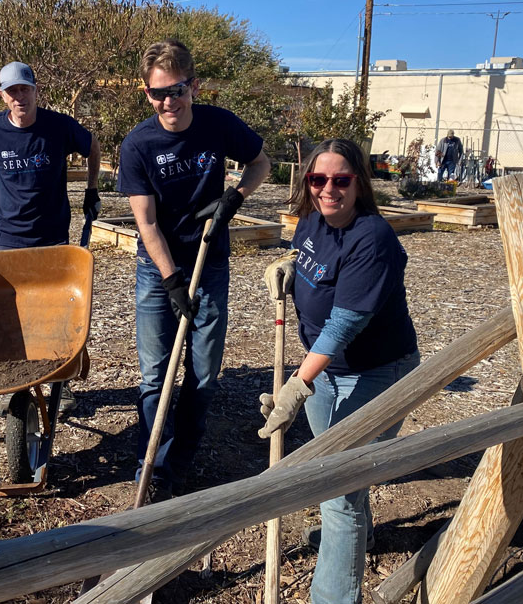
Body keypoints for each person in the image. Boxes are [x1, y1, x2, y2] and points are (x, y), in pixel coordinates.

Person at [259, 138, 420, 604]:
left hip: (373, 373)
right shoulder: (312, 221)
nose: (328, 189)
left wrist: (297, 384)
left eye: (341, 180)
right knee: (342, 476)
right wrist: (287, 266)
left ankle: (333, 597)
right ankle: (356, 539)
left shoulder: (373, 240)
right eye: (317, 179)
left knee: (338, 491)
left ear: (359, 183)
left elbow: (344, 325)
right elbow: (303, 254)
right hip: (327, 370)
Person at [118, 39, 270, 502]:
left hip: (211, 263)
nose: (168, 102)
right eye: (157, 93)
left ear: (193, 85)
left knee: (202, 375)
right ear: (146, 93)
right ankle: (156, 468)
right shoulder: (139, 144)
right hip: (158, 268)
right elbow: (145, 222)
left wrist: (234, 198)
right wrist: (170, 280)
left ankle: (180, 459)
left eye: (176, 90)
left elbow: (260, 163)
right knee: (154, 375)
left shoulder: (218, 125)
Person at [0, 61, 101, 251]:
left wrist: (91, 191)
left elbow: (92, 145)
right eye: (12, 91)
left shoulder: (59, 126)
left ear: (36, 91)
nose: (19, 97)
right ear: (2, 96)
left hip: (51, 236)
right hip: (4, 236)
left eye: (25, 89)